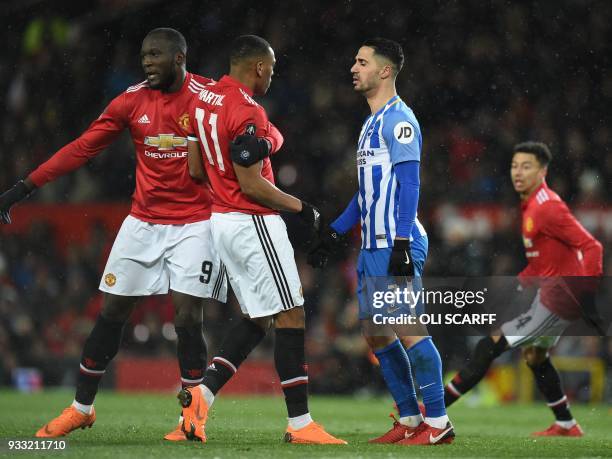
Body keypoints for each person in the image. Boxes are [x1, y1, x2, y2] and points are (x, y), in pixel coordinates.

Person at [0, 28, 227, 440]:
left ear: (179, 58)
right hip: (142, 222)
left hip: (197, 222)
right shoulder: (131, 100)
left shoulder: (207, 97)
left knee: (188, 317)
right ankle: (81, 408)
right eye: (143, 55)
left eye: (155, 54)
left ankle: (192, 414)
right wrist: (24, 187)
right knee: (111, 313)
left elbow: (247, 126)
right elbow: (83, 147)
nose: (146, 61)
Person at [178, 34, 346, 445]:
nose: (272, 75)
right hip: (251, 220)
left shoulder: (203, 100)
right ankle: (301, 424)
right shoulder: (247, 108)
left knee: (259, 317)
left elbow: (197, 169)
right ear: (257, 67)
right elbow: (252, 185)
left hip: (221, 220)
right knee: (292, 313)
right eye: (270, 68)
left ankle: (201, 395)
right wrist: (304, 209)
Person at [308, 38, 454, 445]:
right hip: (372, 246)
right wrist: (335, 232)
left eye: (362, 62)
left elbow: (410, 183)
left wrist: (403, 242)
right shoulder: (370, 124)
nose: (353, 68)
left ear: (385, 71)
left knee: (409, 330)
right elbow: (367, 193)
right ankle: (409, 419)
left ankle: (438, 423)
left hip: (396, 242)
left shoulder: (399, 120)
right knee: (376, 334)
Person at [443, 141, 604, 436]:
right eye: (515, 166)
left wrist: (588, 297)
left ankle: (434, 412)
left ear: (543, 171)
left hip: (560, 298)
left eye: (526, 166)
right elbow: (544, 263)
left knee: (489, 344)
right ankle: (566, 423)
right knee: (535, 356)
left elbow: (592, 246)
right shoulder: (531, 204)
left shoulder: (548, 207)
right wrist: (516, 285)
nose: (518, 172)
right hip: (551, 294)